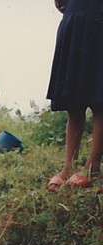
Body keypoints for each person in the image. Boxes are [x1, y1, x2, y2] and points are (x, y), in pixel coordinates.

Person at [46, 0, 103, 191]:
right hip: (75, 19)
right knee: (73, 103)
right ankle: (67, 168)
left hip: (98, 20)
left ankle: (91, 167)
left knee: (99, 101)